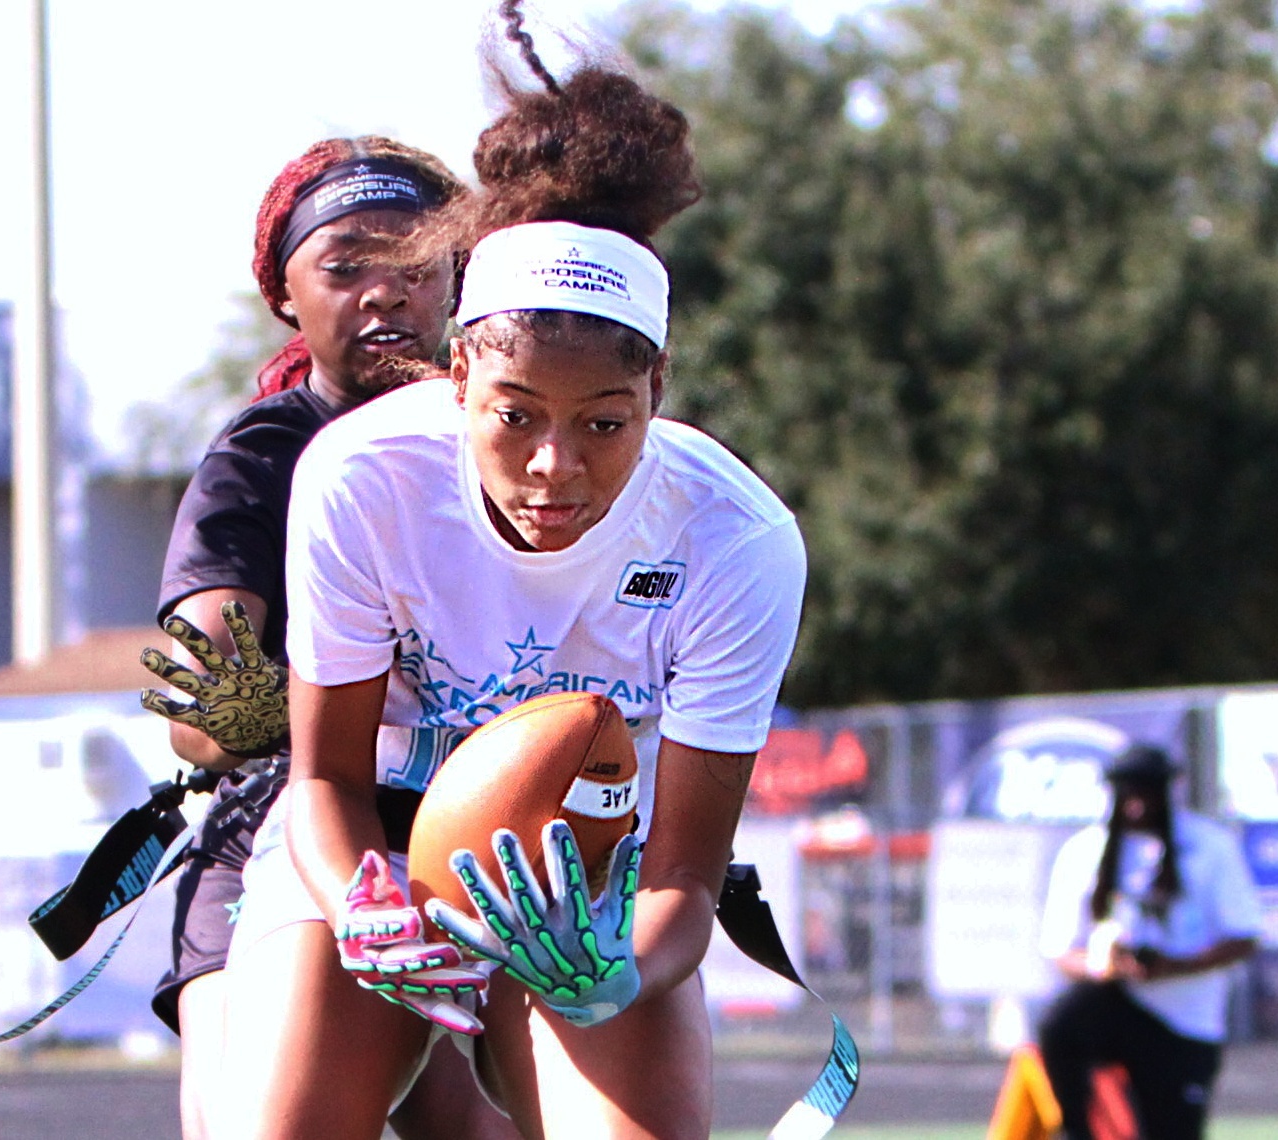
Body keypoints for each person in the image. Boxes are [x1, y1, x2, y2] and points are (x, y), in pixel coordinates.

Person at [215, 6, 809, 1137]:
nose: (554, 468)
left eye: (603, 423)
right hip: (380, 848)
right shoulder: (360, 477)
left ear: (659, 392)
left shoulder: (736, 539)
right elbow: (326, 784)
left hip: (589, 882)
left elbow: (682, 876)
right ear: (454, 384)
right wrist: (362, 910)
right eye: (514, 416)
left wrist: (617, 975)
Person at [136, 136, 517, 1140]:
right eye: (344, 266)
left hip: (478, 831)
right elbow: (204, 709)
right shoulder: (263, 456)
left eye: (413, 264)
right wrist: (272, 713)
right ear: (285, 297)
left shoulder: (529, 439)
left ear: (460, 281)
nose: (382, 294)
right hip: (287, 823)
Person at [1036, 743, 1262, 1140]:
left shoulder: (1209, 846)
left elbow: (1243, 936)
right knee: (1061, 1025)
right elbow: (1060, 948)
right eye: (1128, 794)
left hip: (1185, 1018)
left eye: (1147, 793)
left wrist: (1175, 967)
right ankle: (1074, 1131)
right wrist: (1105, 963)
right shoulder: (1086, 849)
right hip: (1116, 1002)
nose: (1138, 806)